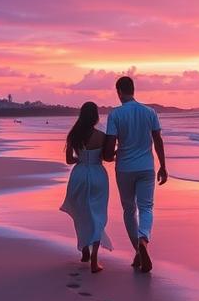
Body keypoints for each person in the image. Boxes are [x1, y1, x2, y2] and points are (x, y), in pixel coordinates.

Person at [103, 76, 167, 273]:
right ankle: (143, 240)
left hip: (124, 168)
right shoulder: (150, 112)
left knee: (129, 210)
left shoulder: (115, 115)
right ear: (133, 90)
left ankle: (138, 250)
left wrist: (109, 155)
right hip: (147, 167)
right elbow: (158, 140)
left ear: (119, 92)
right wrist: (163, 166)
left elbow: (109, 147)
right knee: (146, 207)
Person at [60, 101, 111, 273]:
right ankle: (95, 257)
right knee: (98, 214)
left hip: (79, 174)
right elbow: (107, 157)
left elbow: (68, 160)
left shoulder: (74, 135)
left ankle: (84, 251)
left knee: (81, 212)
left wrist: (81, 159)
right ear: (96, 116)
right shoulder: (101, 136)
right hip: (98, 174)